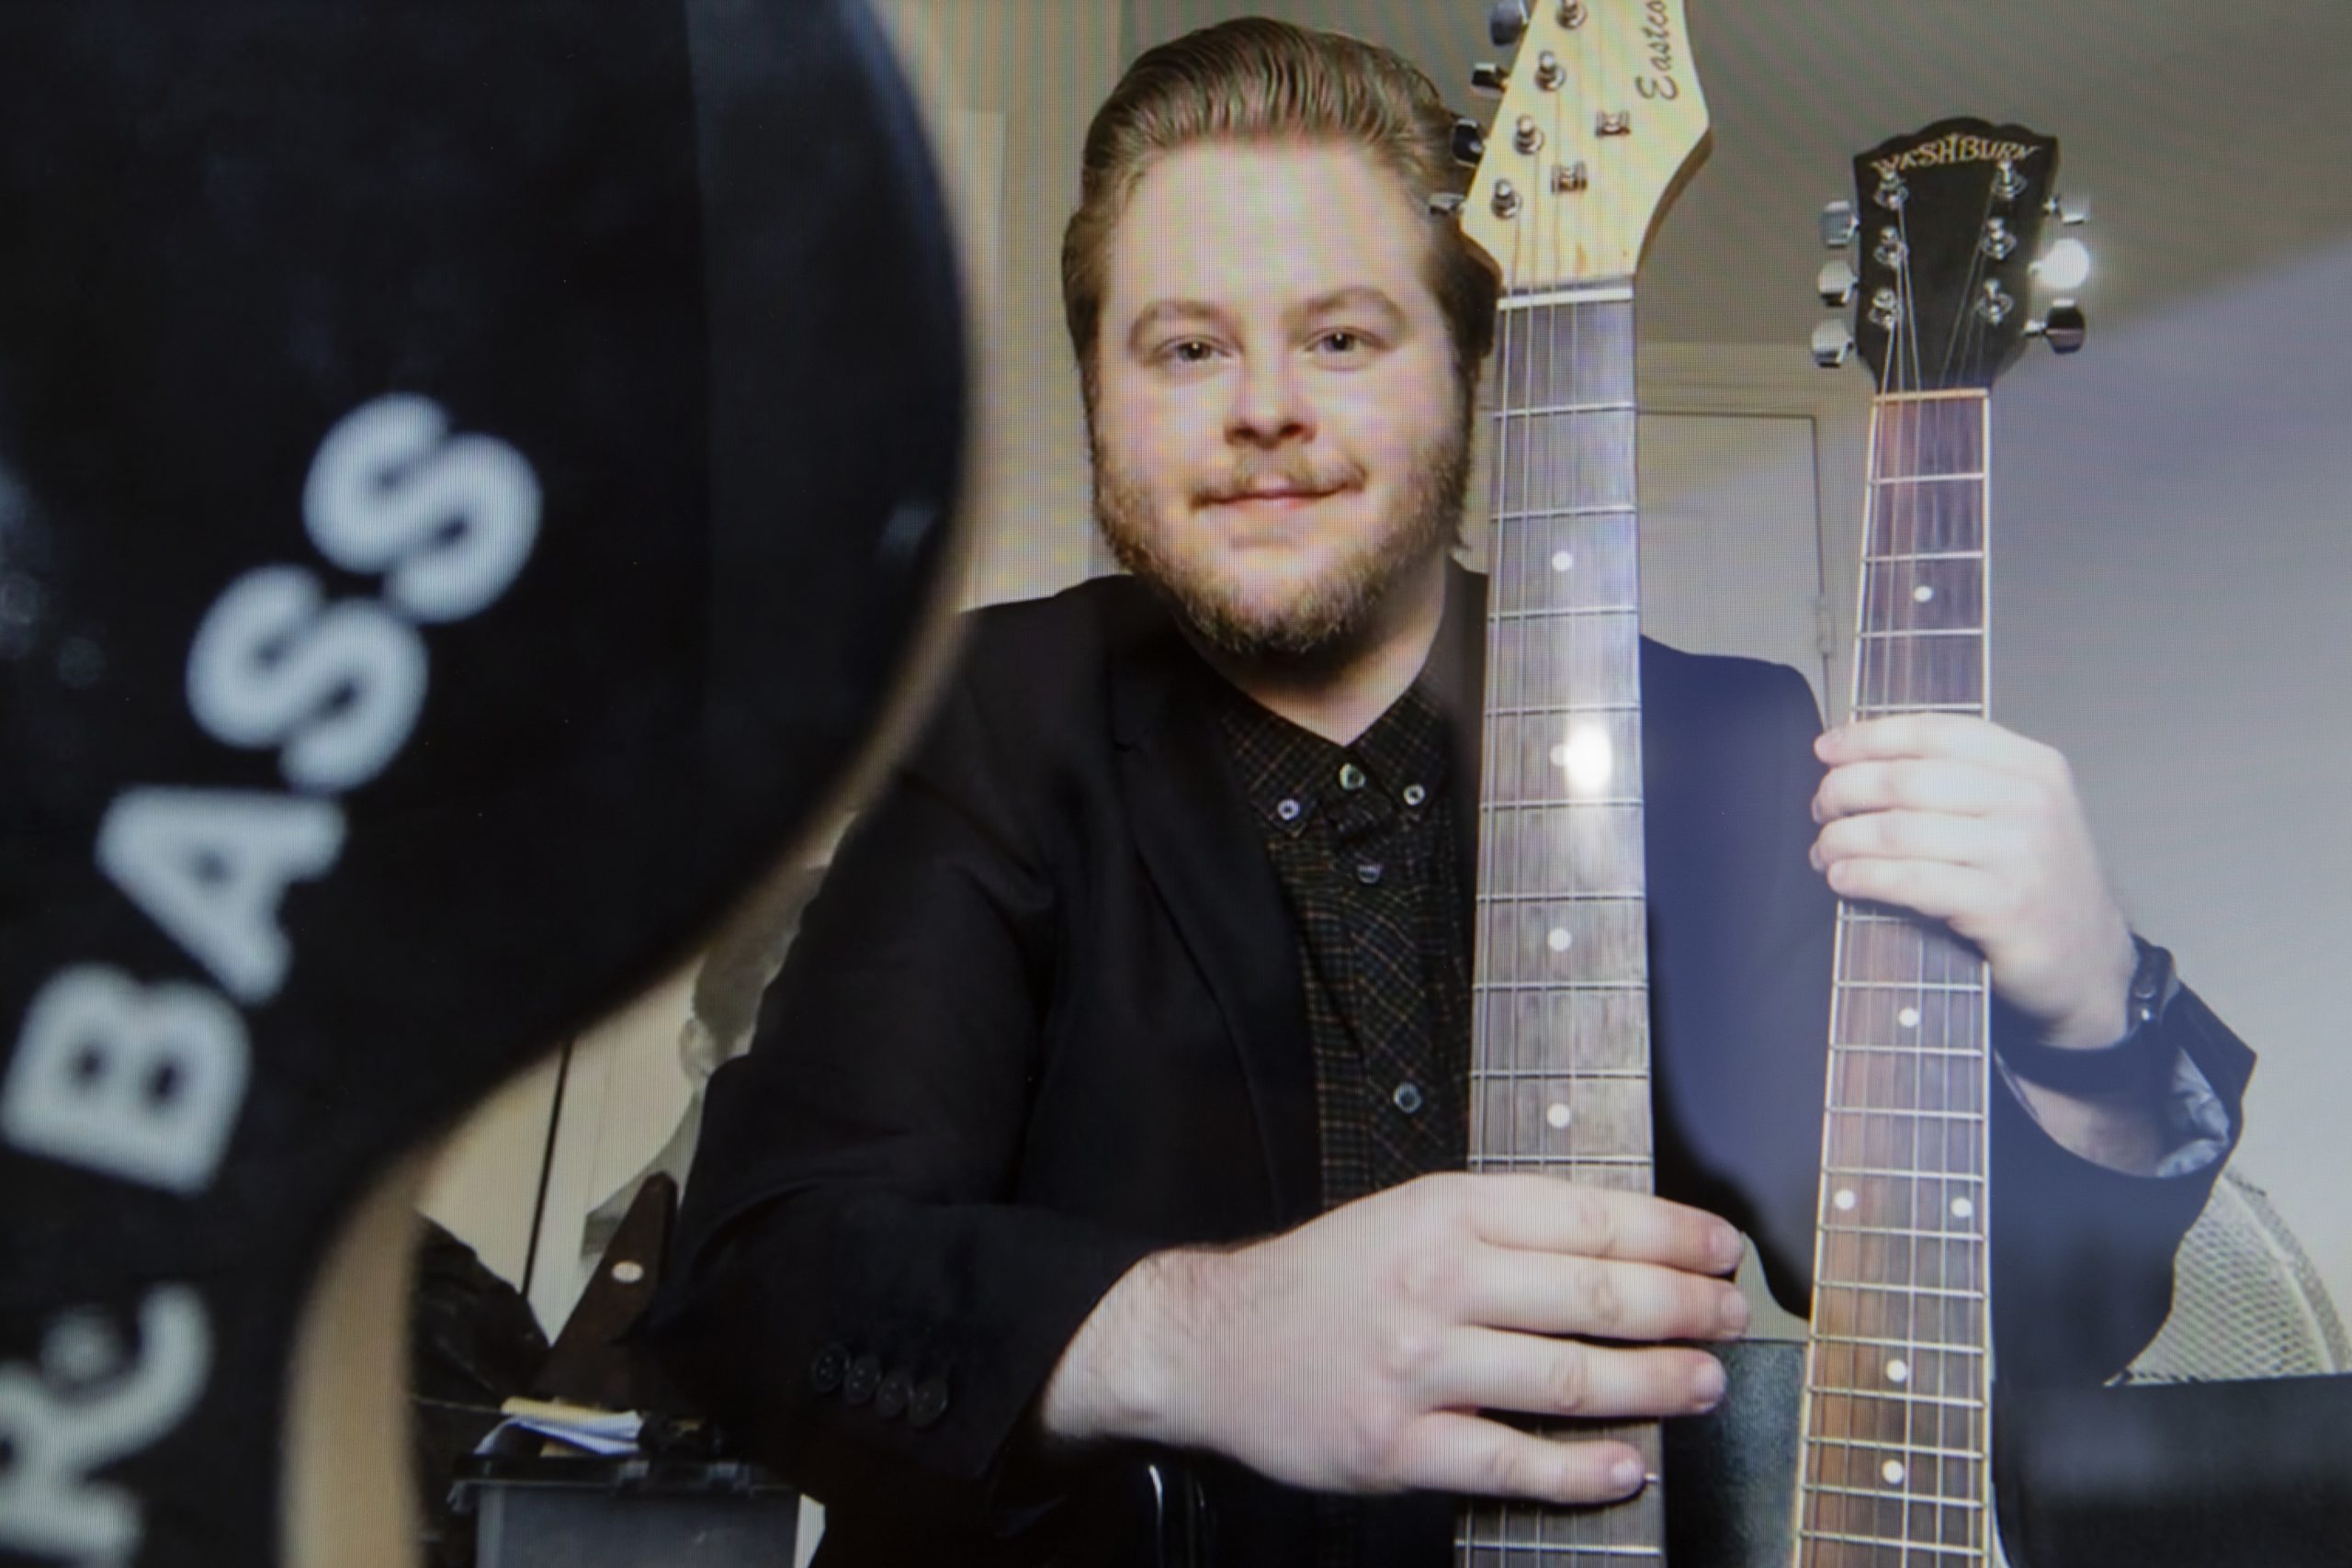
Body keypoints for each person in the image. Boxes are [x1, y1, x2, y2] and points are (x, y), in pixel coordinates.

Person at [645, 18, 2251, 1566]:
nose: (1264, 405)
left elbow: (2024, 1327)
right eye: (1187, 345)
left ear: (1474, 369)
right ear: (1100, 395)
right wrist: (1198, 1336)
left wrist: (2097, 1013)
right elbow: (756, 1294)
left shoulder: (1723, 746)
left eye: (1342, 336)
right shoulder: (984, 719)